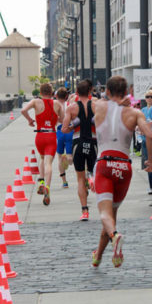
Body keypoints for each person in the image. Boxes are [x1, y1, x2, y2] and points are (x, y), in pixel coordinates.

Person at [92, 75, 152, 268]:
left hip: (104, 164)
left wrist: (113, 99)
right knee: (112, 215)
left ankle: (115, 236)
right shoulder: (135, 113)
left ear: (108, 91)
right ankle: (98, 256)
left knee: (105, 214)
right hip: (123, 166)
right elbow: (150, 135)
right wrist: (150, 161)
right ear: (127, 92)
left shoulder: (98, 106)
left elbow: (84, 98)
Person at [21, 83, 63, 205]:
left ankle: (41, 182)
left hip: (39, 136)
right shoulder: (57, 104)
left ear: (40, 92)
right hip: (51, 135)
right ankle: (47, 187)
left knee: (42, 158)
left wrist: (29, 120)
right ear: (52, 92)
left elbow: (23, 110)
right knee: (48, 163)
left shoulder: (35, 102)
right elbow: (63, 119)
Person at [62, 79, 97, 221]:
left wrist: (73, 125)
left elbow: (64, 129)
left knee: (80, 179)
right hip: (93, 142)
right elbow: (104, 124)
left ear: (76, 92)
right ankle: (92, 177)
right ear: (90, 91)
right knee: (93, 171)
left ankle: (84, 211)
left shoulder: (71, 107)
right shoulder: (97, 106)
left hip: (78, 144)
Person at [55, 88, 73, 187]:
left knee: (59, 157)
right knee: (71, 154)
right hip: (70, 130)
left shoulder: (55, 105)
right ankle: (69, 158)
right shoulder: (70, 105)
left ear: (56, 96)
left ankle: (64, 181)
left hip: (60, 131)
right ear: (66, 96)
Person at [141, 89, 152, 194]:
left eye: (151, 96)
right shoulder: (143, 110)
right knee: (148, 163)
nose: (149, 99)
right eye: (147, 97)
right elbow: (139, 123)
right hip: (145, 140)